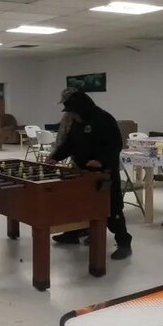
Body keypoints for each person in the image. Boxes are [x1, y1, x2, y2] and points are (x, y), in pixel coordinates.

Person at [45, 91, 133, 260]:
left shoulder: (104, 119)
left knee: (111, 208)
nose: (71, 115)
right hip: (83, 171)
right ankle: (73, 234)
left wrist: (101, 161)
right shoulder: (78, 122)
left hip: (104, 173)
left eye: (73, 112)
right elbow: (69, 144)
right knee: (78, 204)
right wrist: (55, 157)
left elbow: (115, 145)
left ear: (81, 109)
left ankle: (124, 242)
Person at [49, 86, 79, 160]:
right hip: (76, 159)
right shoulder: (67, 116)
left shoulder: (95, 116)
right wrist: (53, 156)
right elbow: (61, 138)